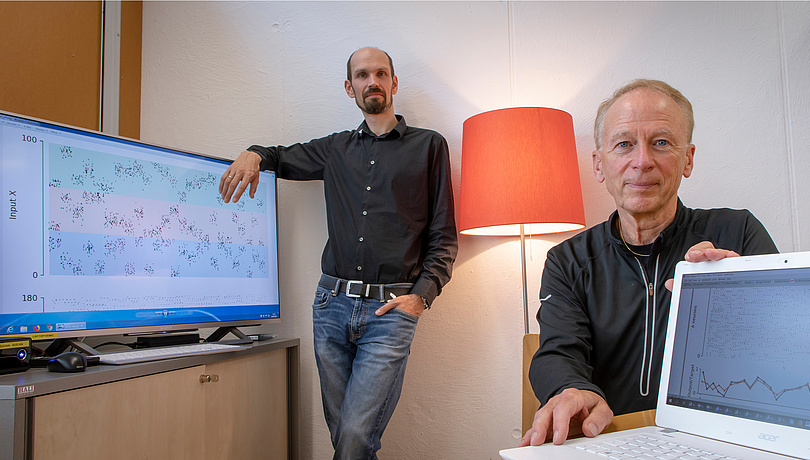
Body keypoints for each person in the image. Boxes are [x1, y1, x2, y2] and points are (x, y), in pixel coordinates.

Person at [219, 47, 458, 459]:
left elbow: (443, 235)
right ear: (350, 88)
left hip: (390, 312)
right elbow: (281, 157)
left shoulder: (429, 146)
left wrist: (421, 296)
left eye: (381, 73)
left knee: (353, 437)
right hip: (330, 306)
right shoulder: (335, 148)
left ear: (393, 83)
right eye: (362, 75)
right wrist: (254, 151)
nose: (373, 81)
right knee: (347, 441)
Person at [521, 79, 777, 447]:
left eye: (661, 142)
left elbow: (792, 351)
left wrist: (743, 295)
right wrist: (570, 388)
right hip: (609, 441)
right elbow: (559, 351)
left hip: (724, 441)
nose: (642, 161)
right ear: (599, 164)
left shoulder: (739, 232)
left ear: (687, 159)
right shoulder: (567, 260)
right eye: (624, 144)